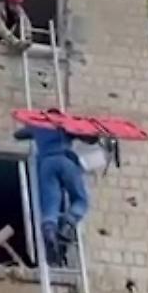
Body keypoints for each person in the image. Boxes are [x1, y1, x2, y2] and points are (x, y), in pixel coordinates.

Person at [14, 109, 98, 266]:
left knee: (50, 203)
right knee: (80, 199)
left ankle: (50, 232)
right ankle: (68, 223)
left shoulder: (38, 126)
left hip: (46, 164)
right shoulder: (66, 124)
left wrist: (33, 127)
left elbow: (18, 135)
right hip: (65, 161)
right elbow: (90, 138)